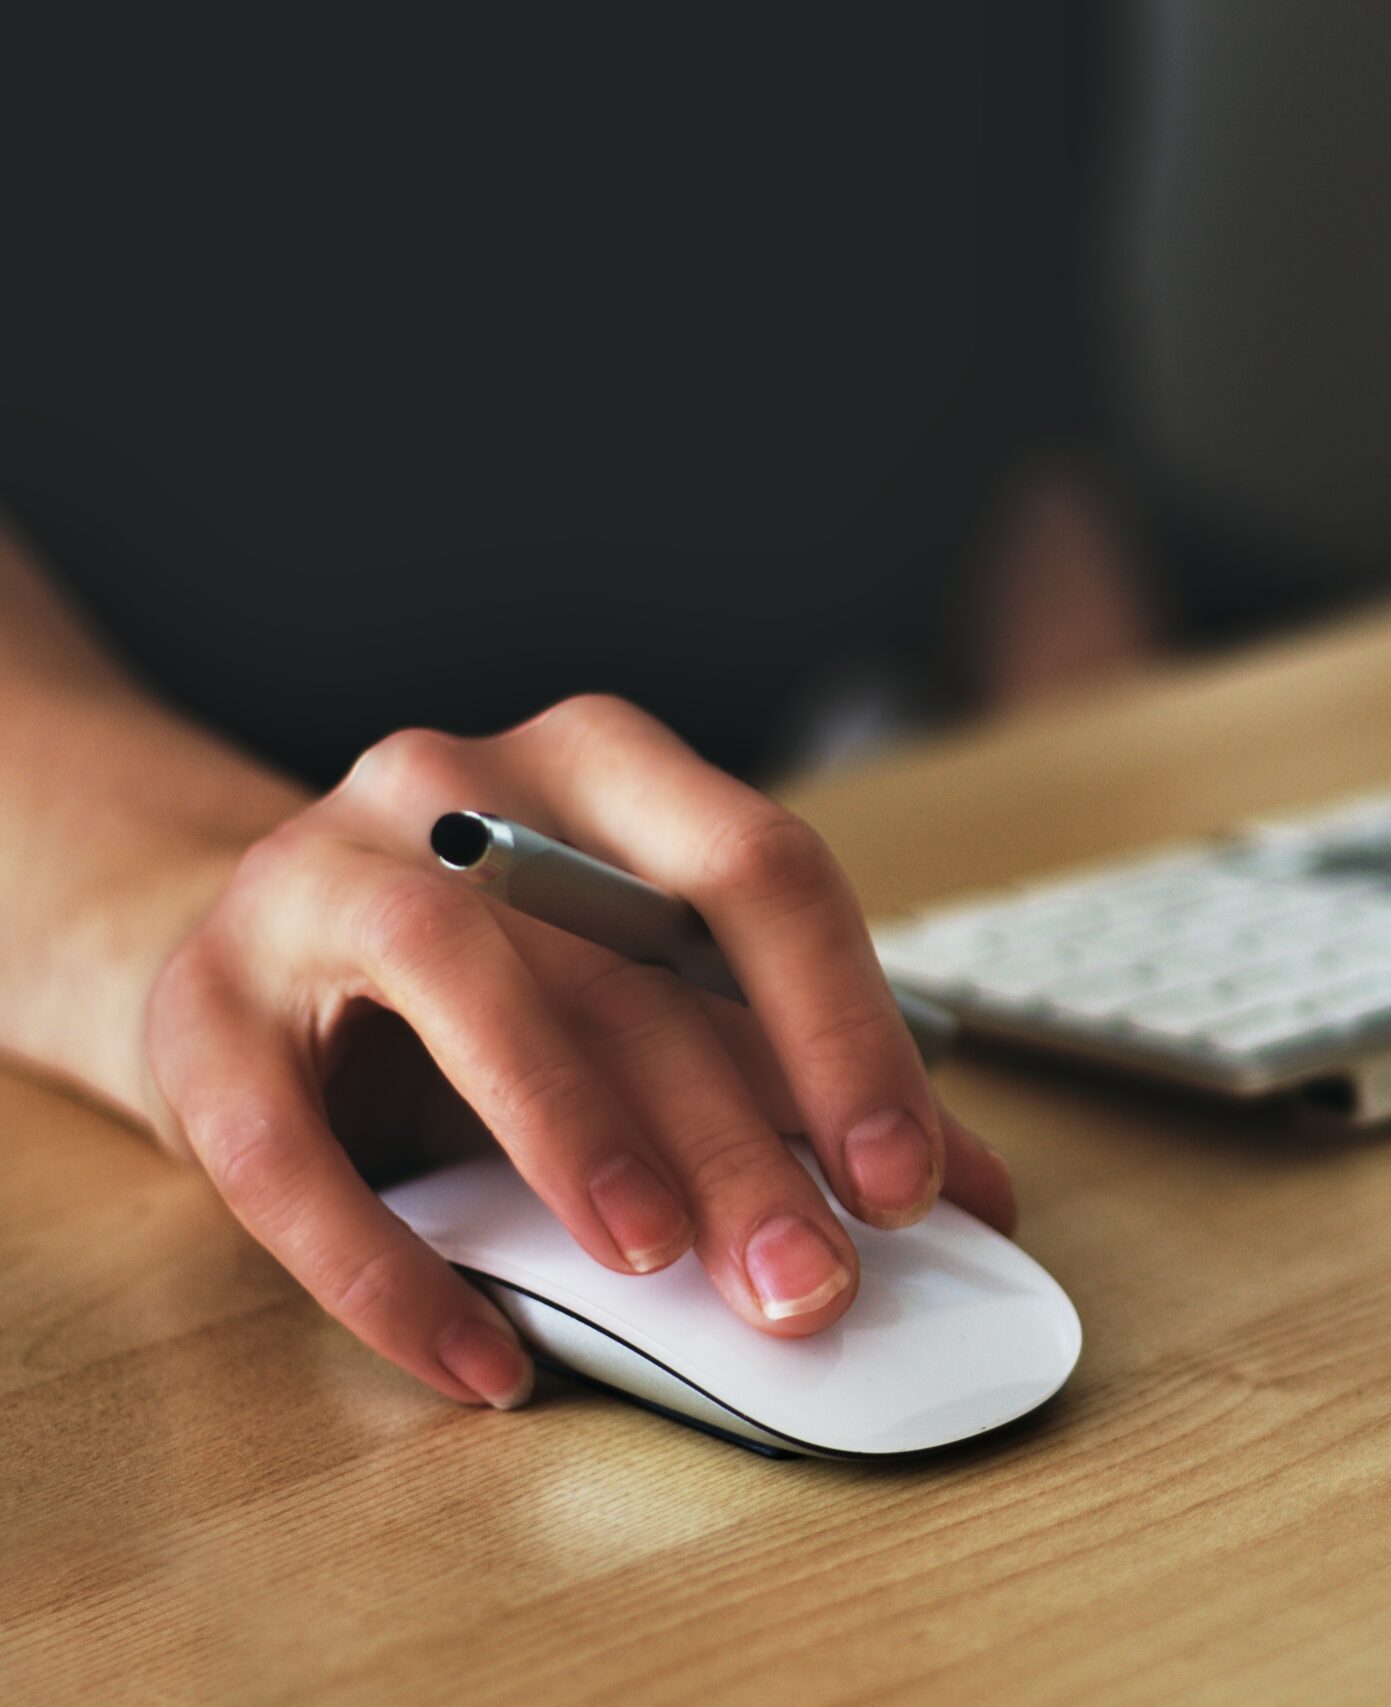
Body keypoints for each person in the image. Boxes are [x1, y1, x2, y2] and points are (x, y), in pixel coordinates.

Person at [0, 10, 1141, 1413]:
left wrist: (1134, 857)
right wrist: (189, 911)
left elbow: (1020, 416)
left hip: (776, 873)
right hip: (200, 803)